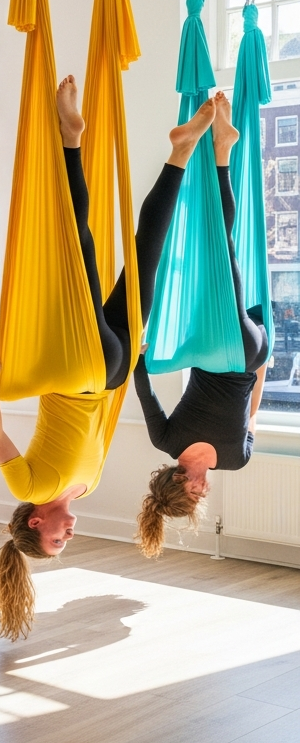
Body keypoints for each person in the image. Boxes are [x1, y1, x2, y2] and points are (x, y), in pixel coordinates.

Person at [0, 75, 215, 640]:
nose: (68, 535)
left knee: (79, 244)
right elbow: (103, 426)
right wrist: (132, 359)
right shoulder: (84, 487)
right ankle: (179, 154)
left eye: (57, 539)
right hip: (107, 370)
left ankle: (70, 140)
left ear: (35, 523)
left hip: (79, 365)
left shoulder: (28, 487)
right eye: (65, 543)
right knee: (145, 258)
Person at [134, 92, 269, 557]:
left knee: (222, 250)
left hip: (234, 349)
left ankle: (222, 149)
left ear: (180, 482)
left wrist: (142, 341)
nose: (204, 492)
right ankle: (221, 152)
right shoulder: (232, 459)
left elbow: (142, 382)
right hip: (230, 350)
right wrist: (261, 367)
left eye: (194, 495)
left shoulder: (174, 444)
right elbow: (142, 380)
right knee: (222, 251)